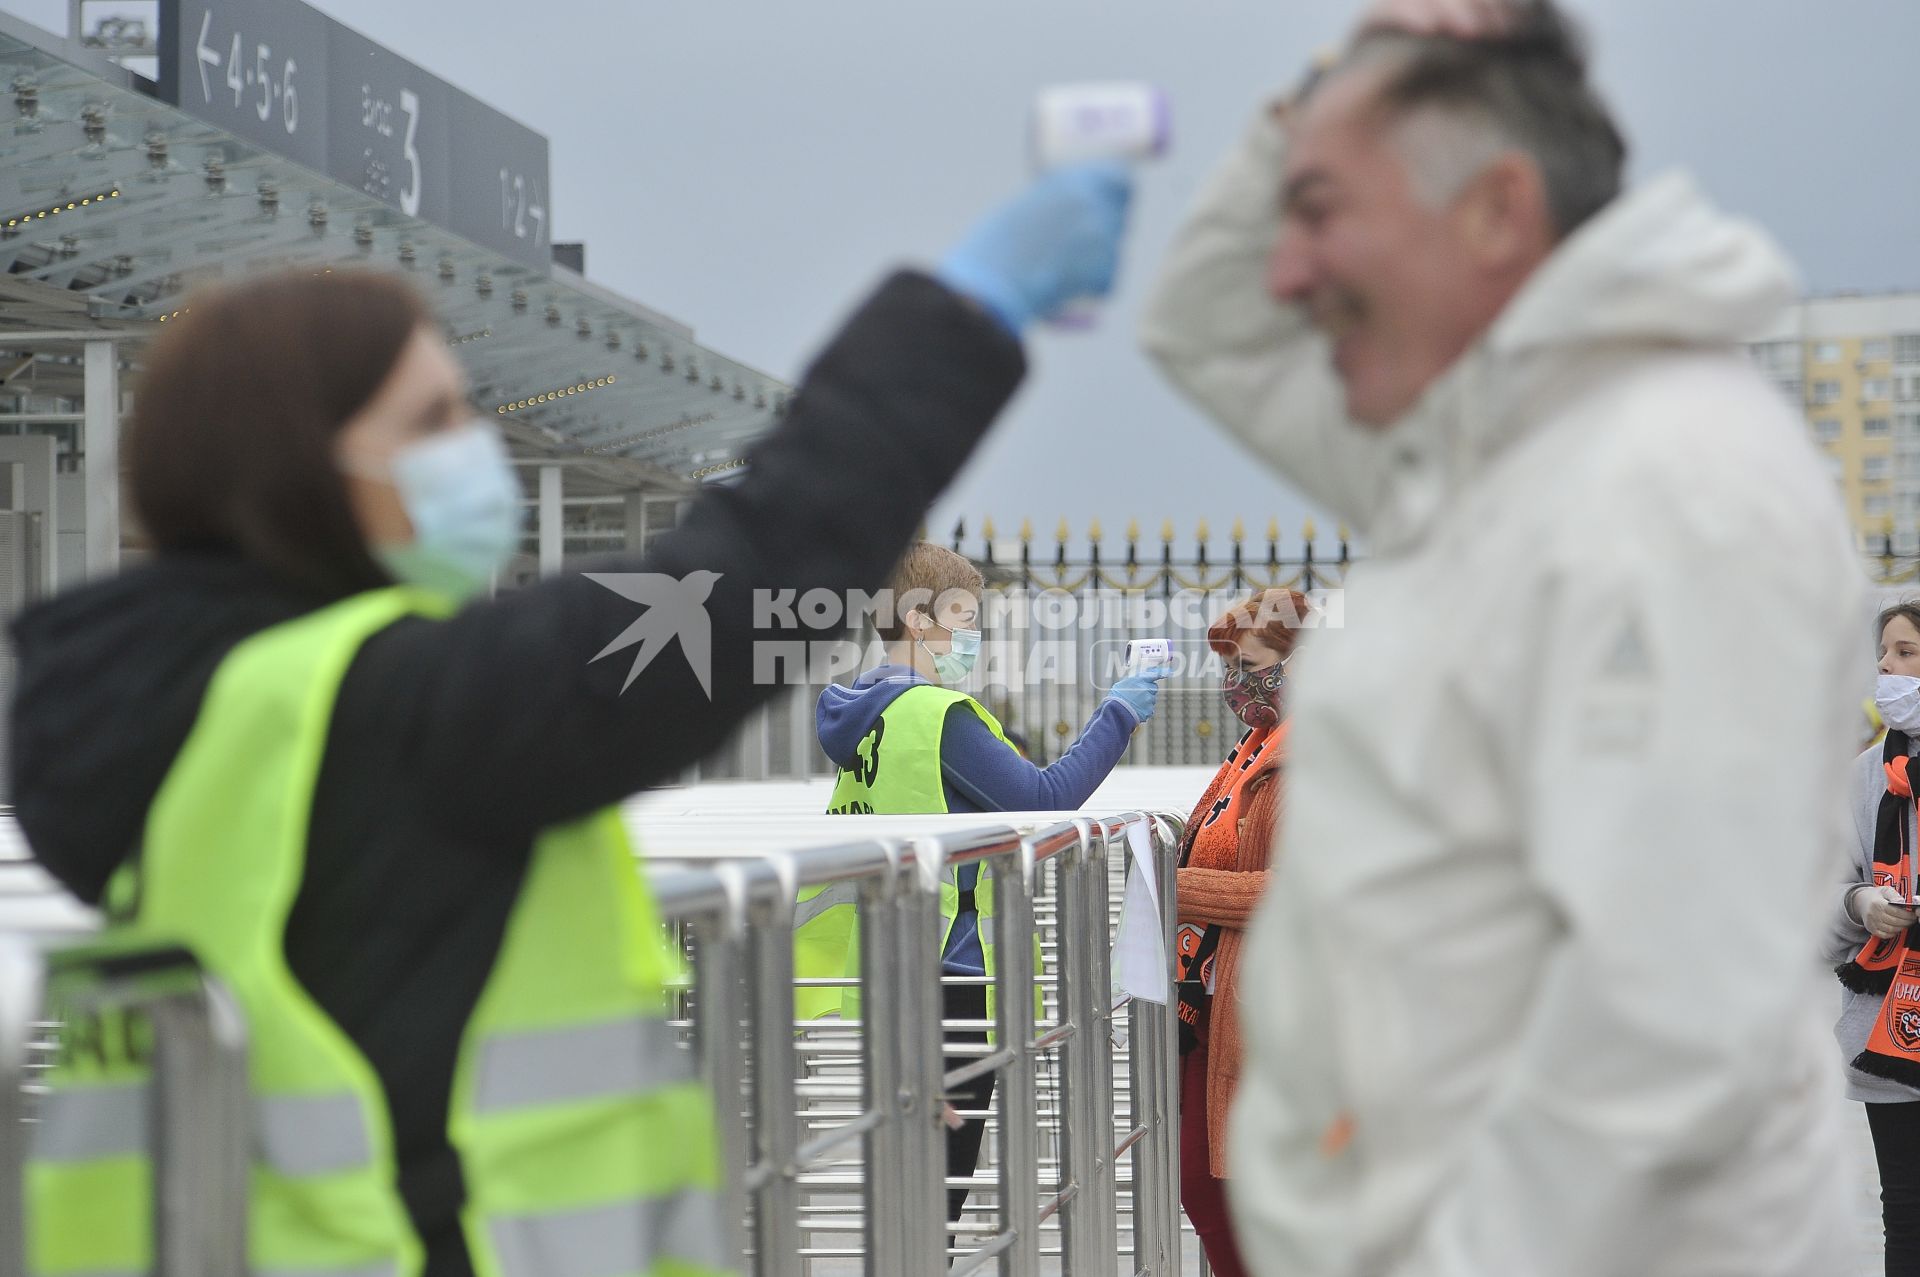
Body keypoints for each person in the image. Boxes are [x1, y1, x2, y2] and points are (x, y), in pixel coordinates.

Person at [10, 158, 1134, 1277]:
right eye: (438, 417)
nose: (477, 447)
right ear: (319, 463)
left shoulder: (168, 712)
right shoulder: (397, 709)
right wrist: (966, 314)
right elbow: (733, 582)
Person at [1141, 1, 1865, 1273]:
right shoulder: (1494, 444)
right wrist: (1332, 92)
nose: (1288, 272)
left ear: (1491, 212)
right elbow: (1201, 320)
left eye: (1322, 213)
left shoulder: (1661, 493)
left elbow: (1654, 1043)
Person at [800, 540, 1168, 1224]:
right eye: (964, 618)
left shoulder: (863, 713)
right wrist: (1119, 712)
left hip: (886, 966)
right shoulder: (941, 716)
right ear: (917, 621)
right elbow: (1046, 795)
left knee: (906, 1180)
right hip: (951, 972)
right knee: (939, 1192)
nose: (974, 636)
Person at [1173, 589, 1304, 1277]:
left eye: (1249, 662)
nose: (1235, 681)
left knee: (1238, 1193)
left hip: (1274, 1009)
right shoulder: (1251, 746)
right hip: (1216, 1001)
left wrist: (1175, 891)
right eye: (1228, 663)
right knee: (1207, 1186)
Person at [1828, 601, 1920, 1277]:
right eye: (1885, 651)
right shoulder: (1863, 776)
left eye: (1905, 652)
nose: (1885, 666)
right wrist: (1860, 901)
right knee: (1909, 1219)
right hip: (1891, 1034)